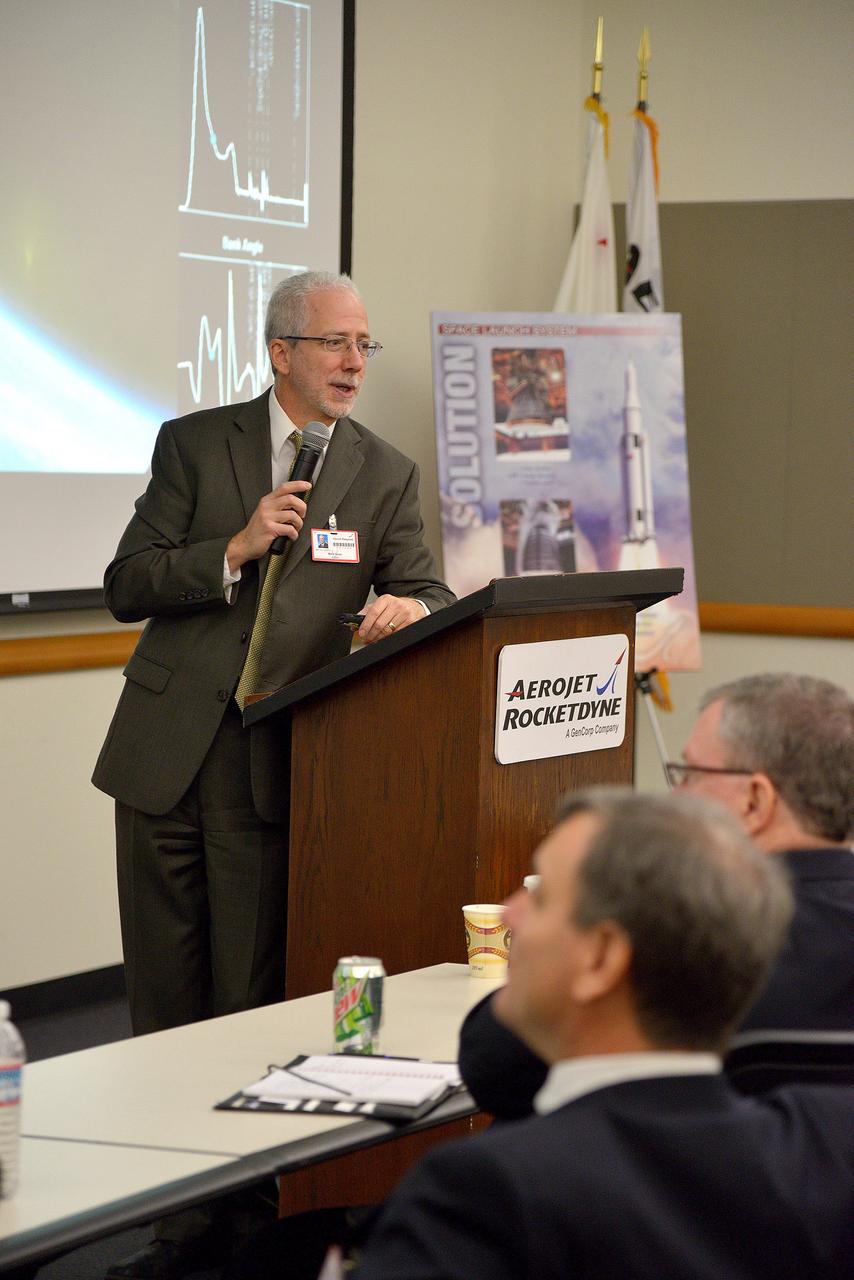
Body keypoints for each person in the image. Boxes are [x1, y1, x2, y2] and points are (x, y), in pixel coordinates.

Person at [91, 270, 454, 1277]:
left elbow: (422, 580)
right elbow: (127, 581)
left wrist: (410, 608)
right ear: (280, 348)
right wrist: (234, 544)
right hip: (164, 753)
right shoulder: (194, 444)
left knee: (248, 996)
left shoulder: (384, 473)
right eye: (335, 343)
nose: (352, 363)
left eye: (363, 346)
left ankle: (251, 1204)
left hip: (275, 762)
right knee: (163, 993)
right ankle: (173, 1217)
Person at [350, 789, 854, 1280]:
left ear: (602, 959)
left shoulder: (484, 1195)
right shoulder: (824, 1151)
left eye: (540, 897)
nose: (509, 913)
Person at [459, 671, 854, 1119]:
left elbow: (494, 1067)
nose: (676, 795)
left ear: (754, 802)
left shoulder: (680, 928)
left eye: (689, 775)